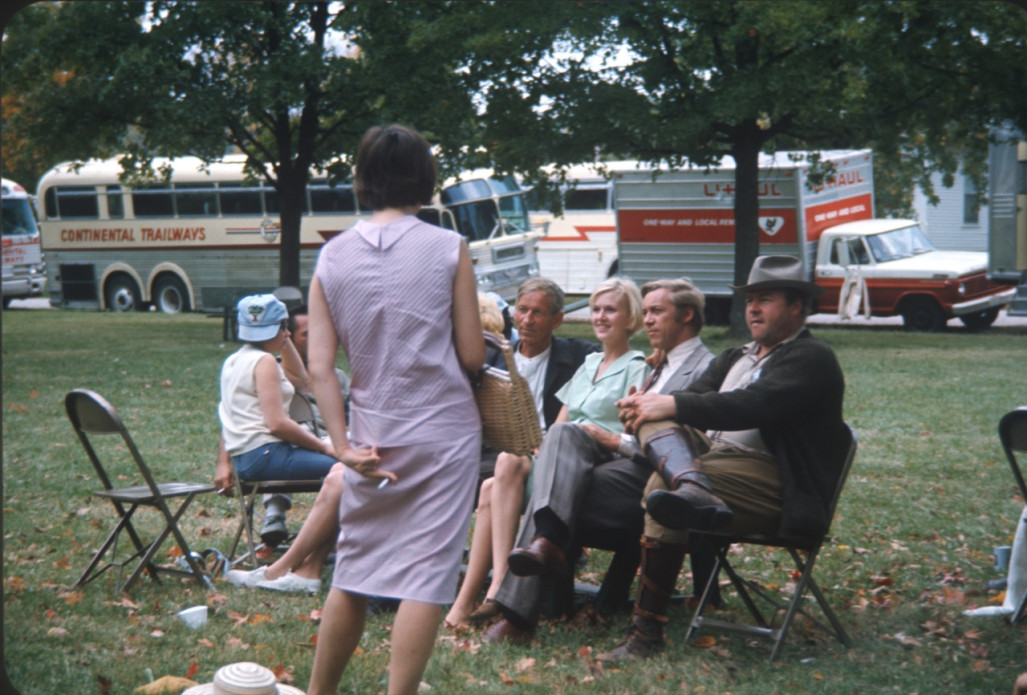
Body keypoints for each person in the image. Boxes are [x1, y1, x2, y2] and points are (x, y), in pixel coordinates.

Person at [304, 124, 486, 695]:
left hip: (371, 435)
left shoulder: (331, 257)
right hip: (444, 432)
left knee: (354, 571)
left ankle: (319, 692)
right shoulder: (447, 247)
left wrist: (341, 446)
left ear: (362, 178)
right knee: (427, 577)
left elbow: (319, 367)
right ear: (425, 178)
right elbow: (473, 354)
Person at [596, 255, 848, 664]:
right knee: (650, 416)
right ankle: (691, 486)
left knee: (663, 482)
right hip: (709, 466)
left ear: (797, 306)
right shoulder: (735, 356)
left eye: (765, 300)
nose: (752, 309)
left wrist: (669, 403)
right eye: (750, 300)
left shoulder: (811, 358)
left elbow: (752, 406)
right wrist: (648, 403)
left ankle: (645, 635)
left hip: (773, 482)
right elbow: (692, 401)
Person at [482, 278, 715, 644]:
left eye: (657, 312)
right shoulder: (654, 365)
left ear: (685, 316)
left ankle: (517, 610)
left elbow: (688, 444)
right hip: (605, 462)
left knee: (552, 478)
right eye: (647, 311)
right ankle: (543, 551)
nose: (649, 320)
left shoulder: (697, 367)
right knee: (557, 442)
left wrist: (612, 439)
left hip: (650, 476)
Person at [447, 279, 639, 629]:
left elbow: (628, 432)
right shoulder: (587, 363)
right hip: (526, 452)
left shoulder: (625, 364)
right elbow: (561, 421)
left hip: (587, 463)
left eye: (538, 312)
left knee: (504, 468)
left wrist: (552, 442)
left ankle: (497, 587)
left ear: (557, 319)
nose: (528, 319)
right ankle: (474, 598)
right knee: (493, 482)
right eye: (522, 310)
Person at [215, 294, 341, 592]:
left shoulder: (234, 360)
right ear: (281, 327)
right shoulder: (264, 363)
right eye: (283, 329)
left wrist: (283, 340)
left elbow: (299, 378)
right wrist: (323, 446)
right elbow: (277, 424)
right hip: (268, 453)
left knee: (348, 475)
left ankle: (308, 566)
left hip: (249, 456)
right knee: (352, 474)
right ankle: (306, 566)